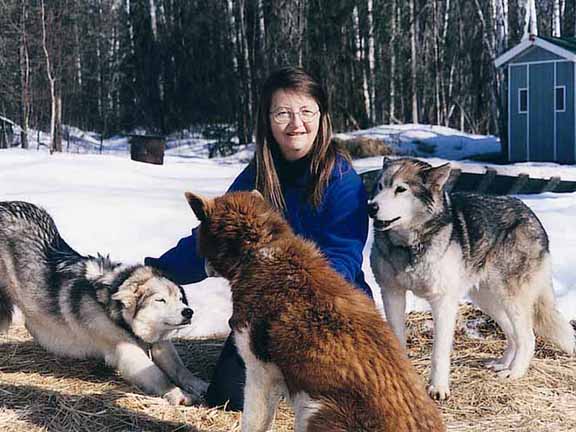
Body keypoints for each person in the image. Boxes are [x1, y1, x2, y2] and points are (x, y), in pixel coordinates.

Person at [145, 66, 371, 410]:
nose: (296, 123)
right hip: (264, 314)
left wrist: (287, 300)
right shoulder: (256, 177)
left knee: (333, 400)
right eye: (282, 113)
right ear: (267, 120)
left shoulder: (342, 182)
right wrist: (158, 271)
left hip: (329, 308)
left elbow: (342, 263)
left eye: (306, 111)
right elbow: (213, 233)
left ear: (322, 117)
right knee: (228, 399)